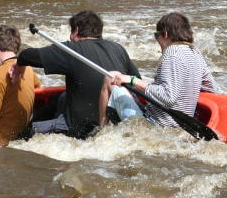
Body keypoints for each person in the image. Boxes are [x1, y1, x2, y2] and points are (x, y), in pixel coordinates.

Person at [8, 10, 141, 139]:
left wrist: (19, 63)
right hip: (114, 125)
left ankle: (15, 143)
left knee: (32, 132)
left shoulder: (73, 50)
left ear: (76, 30)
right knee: (59, 98)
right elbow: (137, 80)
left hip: (80, 128)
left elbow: (27, 55)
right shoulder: (118, 49)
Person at [99, 13, 216, 128]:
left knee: (110, 76)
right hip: (182, 126)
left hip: (156, 125)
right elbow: (211, 88)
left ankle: (101, 130)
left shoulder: (172, 53)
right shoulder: (196, 53)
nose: (157, 41)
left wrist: (133, 80)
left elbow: (168, 97)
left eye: (157, 36)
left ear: (165, 34)